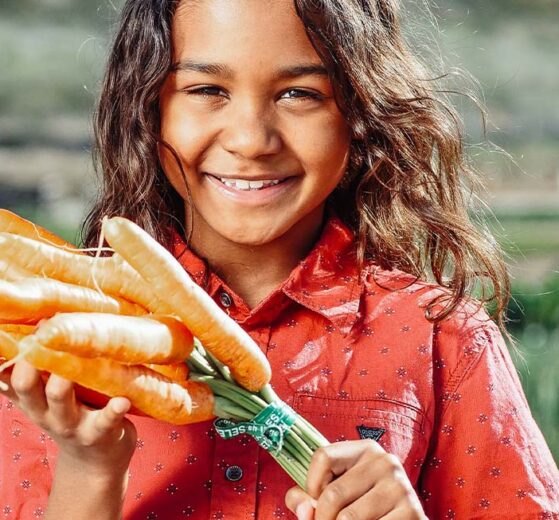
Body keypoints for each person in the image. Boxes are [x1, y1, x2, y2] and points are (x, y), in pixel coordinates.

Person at [0, 0, 558, 518]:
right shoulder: (51, 340)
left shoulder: (442, 338)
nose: (251, 140)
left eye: (300, 94)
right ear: (148, 108)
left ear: (360, 113)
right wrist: (88, 470)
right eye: (207, 89)